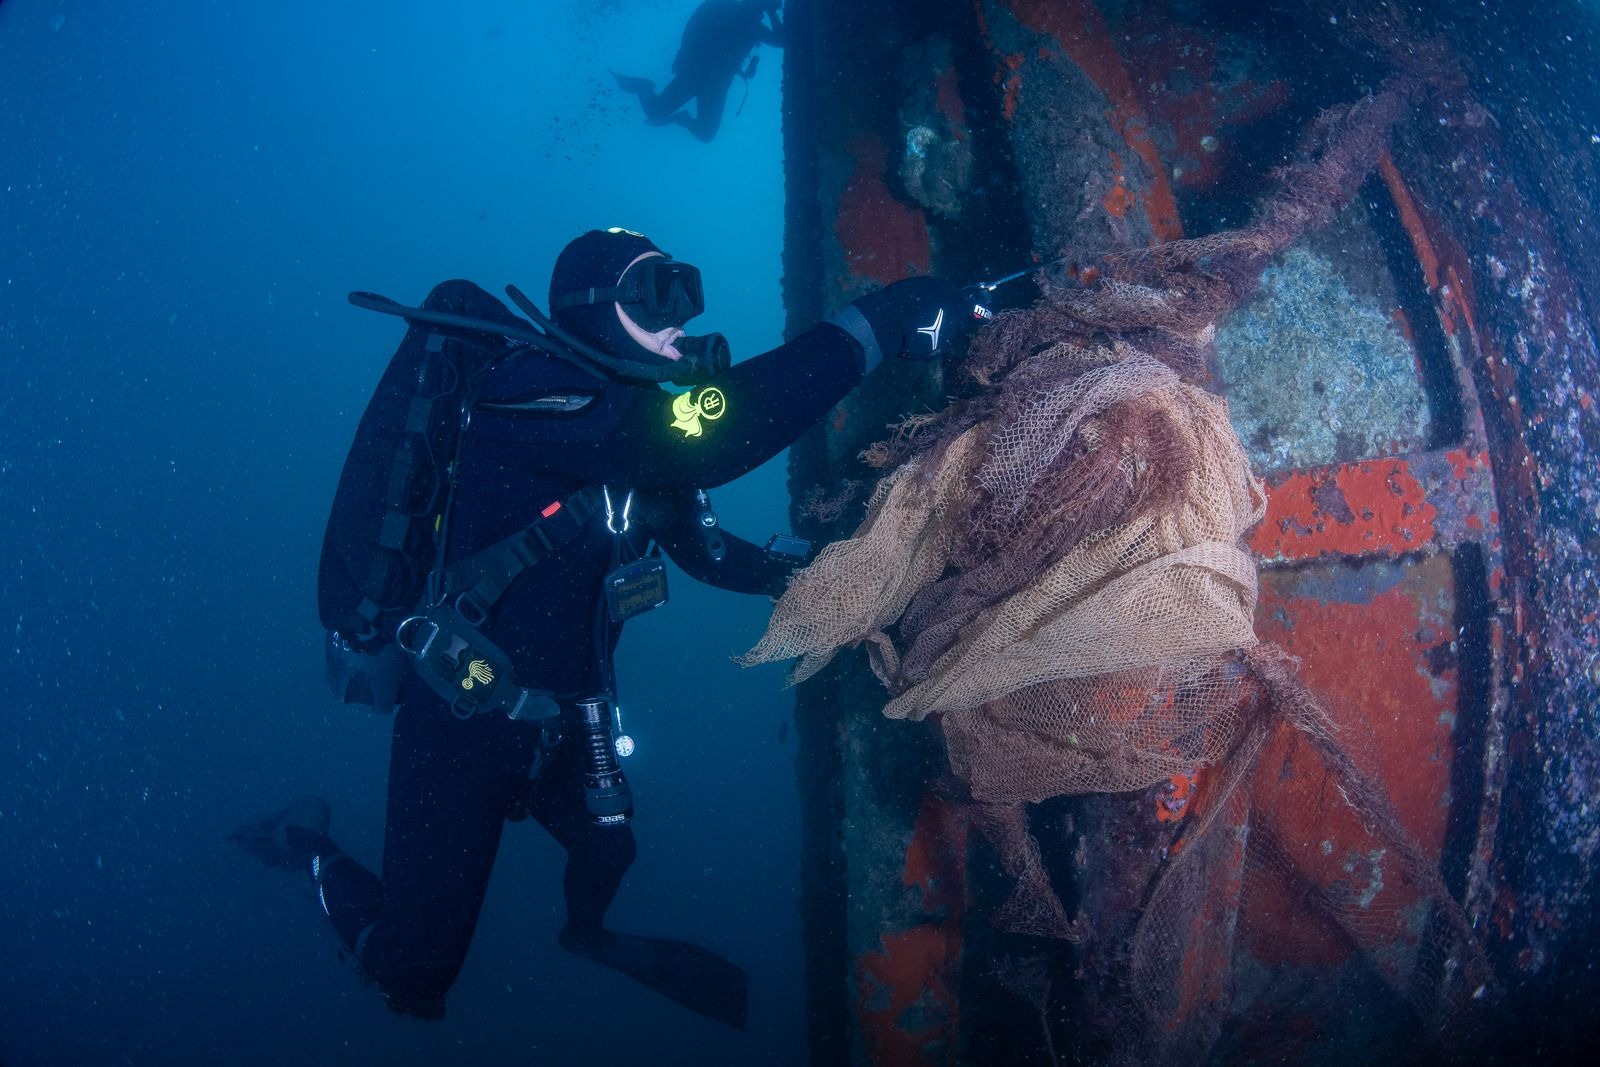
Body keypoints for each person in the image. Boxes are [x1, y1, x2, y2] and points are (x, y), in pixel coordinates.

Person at [232, 226, 975, 1024]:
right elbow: (714, 438)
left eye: (685, 290)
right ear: (590, 308)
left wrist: (820, 578)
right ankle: (308, 842)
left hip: (573, 715)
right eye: (655, 295)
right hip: (462, 722)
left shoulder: (629, 433)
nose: (681, 319)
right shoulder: (532, 390)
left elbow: (709, 549)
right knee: (416, 974)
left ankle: (586, 935)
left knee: (608, 847)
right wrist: (880, 322)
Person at [612, 0, 784, 142]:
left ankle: (672, 110)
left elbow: (692, 27)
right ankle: (644, 88)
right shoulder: (745, 21)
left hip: (709, 80)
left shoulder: (742, 19)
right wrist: (772, 13)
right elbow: (780, 40)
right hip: (698, 75)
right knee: (663, 115)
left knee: (703, 133)